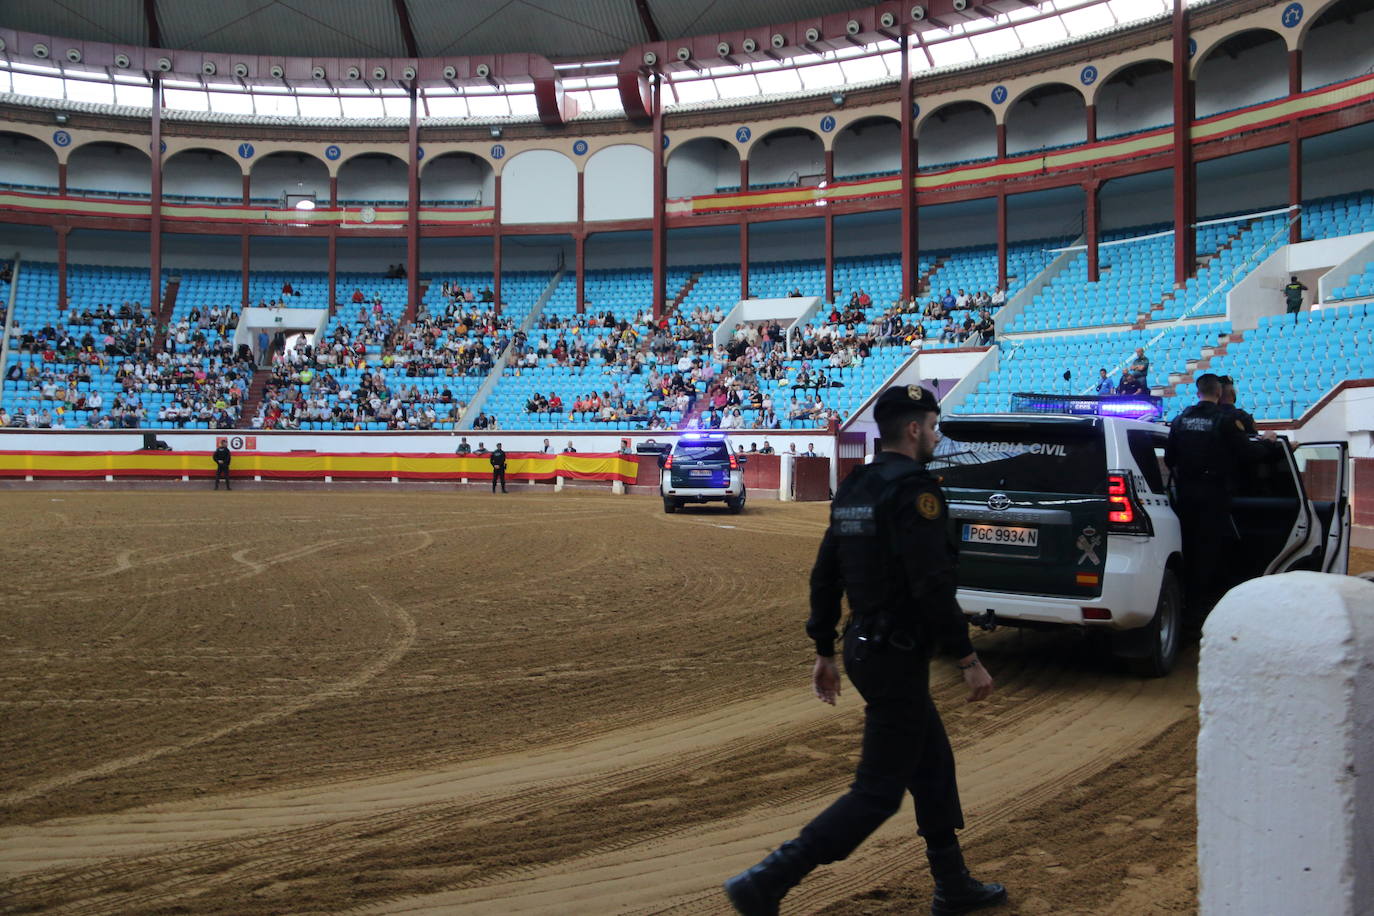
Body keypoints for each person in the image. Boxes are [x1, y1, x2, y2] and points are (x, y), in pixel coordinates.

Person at [724, 385, 1003, 916]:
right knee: (877, 793)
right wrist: (967, 659)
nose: (937, 436)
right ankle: (768, 880)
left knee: (933, 764)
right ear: (915, 429)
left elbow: (826, 572)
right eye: (934, 426)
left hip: (863, 645)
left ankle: (953, 883)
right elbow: (931, 585)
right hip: (896, 652)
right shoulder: (916, 492)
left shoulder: (857, 487)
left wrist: (824, 649)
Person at [1165, 373, 1275, 618]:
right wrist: (1268, 442)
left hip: (1185, 495)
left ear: (1197, 392)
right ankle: (1198, 611)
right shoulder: (1224, 421)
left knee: (1186, 548)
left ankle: (1183, 605)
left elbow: (1170, 459)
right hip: (1213, 495)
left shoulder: (1180, 420)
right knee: (1208, 551)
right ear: (1218, 394)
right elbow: (1247, 453)